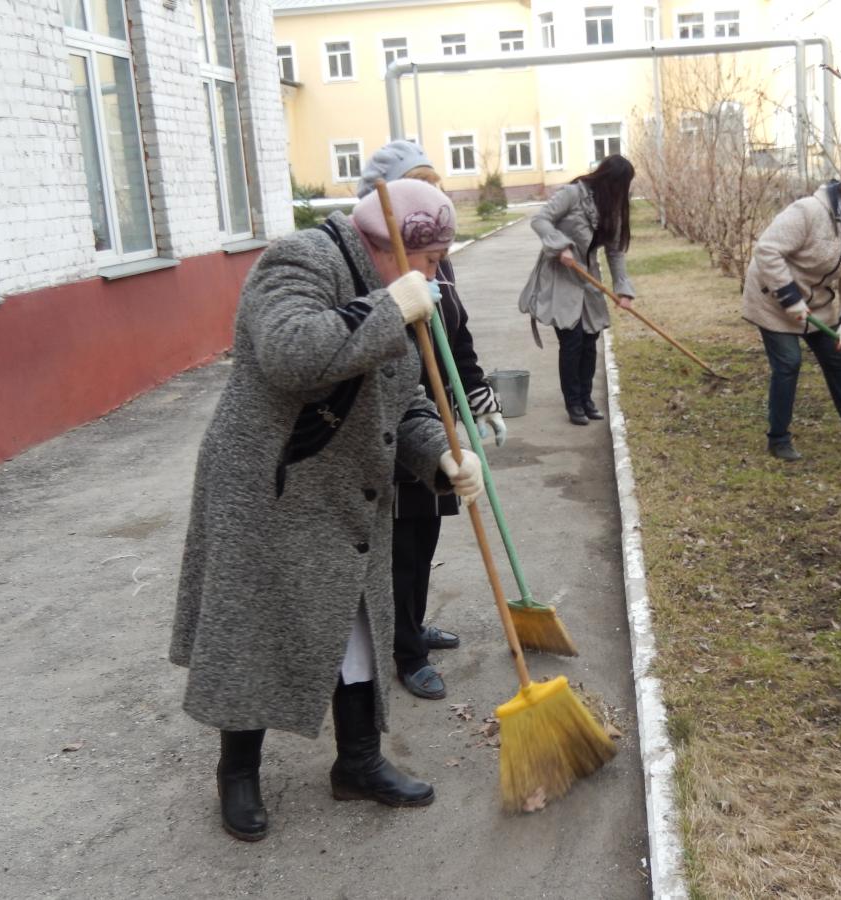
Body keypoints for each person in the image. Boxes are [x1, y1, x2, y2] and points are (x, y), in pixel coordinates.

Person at [169, 179, 484, 843]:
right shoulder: (298, 261)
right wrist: (387, 308)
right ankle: (238, 773)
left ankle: (359, 763)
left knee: (359, 626)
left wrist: (442, 459)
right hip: (269, 486)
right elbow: (289, 353)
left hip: (345, 492)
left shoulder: (402, 292)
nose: (437, 274)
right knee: (254, 628)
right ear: (389, 247)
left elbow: (404, 399)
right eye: (431, 260)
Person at [355, 141, 506, 702]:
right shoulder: (372, 270)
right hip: (392, 427)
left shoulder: (437, 260)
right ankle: (405, 652)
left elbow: (455, 336)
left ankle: (413, 625)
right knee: (401, 545)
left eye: (434, 187)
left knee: (427, 532)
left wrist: (478, 393)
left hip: (433, 419)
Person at [742, 159, 841, 461]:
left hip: (817, 305)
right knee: (788, 363)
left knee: (838, 360)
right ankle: (778, 438)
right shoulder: (808, 212)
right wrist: (790, 299)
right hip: (773, 298)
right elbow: (767, 250)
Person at [519, 154, 636, 426]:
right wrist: (561, 246)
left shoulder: (613, 208)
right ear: (609, 180)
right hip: (560, 277)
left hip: (588, 278)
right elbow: (540, 220)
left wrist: (623, 289)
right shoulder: (572, 195)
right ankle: (573, 403)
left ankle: (586, 399)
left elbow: (615, 252)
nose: (623, 192)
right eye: (621, 184)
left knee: (589, 341)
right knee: (571, 342)